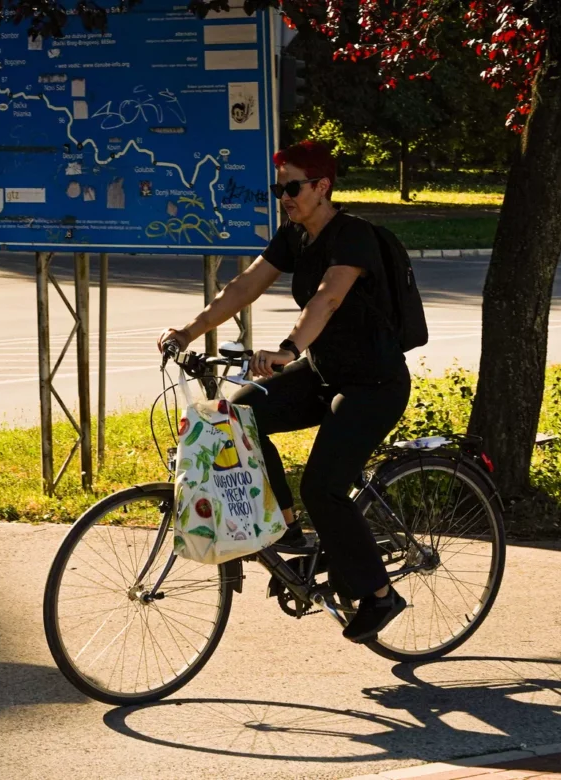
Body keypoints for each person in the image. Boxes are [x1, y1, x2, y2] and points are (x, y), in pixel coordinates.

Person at [158, 141, 411, 643]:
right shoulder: (294, 236)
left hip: (373, 383)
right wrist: (187, 332)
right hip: (325, 374)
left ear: (322, 187)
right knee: (236, 416)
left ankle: (380, 595)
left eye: (292, 187)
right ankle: (287, 529)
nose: (284, 197)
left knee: (324, 484)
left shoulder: (352, 237)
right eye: (279, 189)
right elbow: (243, 287)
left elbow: (327, 299)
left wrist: (288, 349)